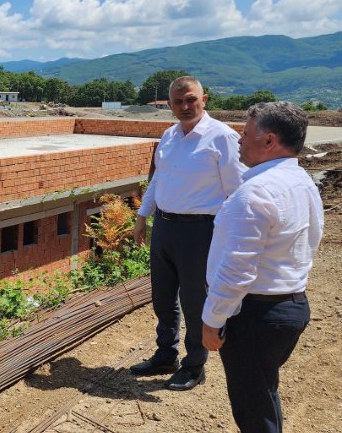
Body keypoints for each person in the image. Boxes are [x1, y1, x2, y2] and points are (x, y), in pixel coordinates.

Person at [202, 102, 323, 432]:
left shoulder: (254, 193)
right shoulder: (302, 182)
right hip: (291, 306)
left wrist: (212, 320)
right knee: (263, 394)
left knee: (254, 409)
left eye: (245, 133)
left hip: (255, 316)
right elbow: (314, 237)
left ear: (269, 141)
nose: (238, 140)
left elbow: (237, 270)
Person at [129, 76, 246, 390]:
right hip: (165, 227)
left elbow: (239, 191)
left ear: (204, 99)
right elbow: (158, 181)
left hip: (201, 231)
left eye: (191, 99)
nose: (185, 106)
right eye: (178, 102)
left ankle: (194, 365)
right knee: (163, 298)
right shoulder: (168, 136)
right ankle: (165, 354)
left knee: (195, 301)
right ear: (169, 105)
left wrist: (232, 236)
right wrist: (143, 216)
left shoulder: (222, 137)